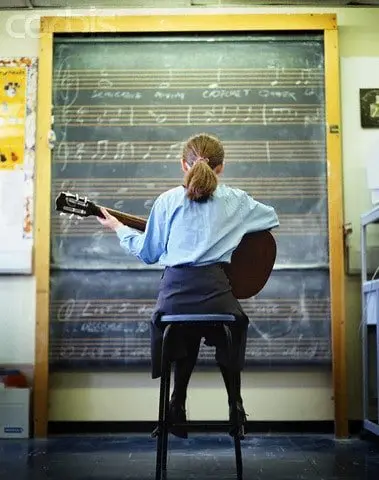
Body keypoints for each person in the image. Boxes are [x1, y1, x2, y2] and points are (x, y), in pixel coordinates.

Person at [97, 132, 279, 439]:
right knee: (231, 325)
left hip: (175, 295)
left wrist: (119, 228)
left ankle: (176, 405)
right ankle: (235, 406)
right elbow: (271, 218)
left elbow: (149, 252)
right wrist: (234, 232)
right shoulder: (237, 200)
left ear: (184, 164)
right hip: (217, 292)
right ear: (221, 168)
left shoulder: (167, 201)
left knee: (182, 328)